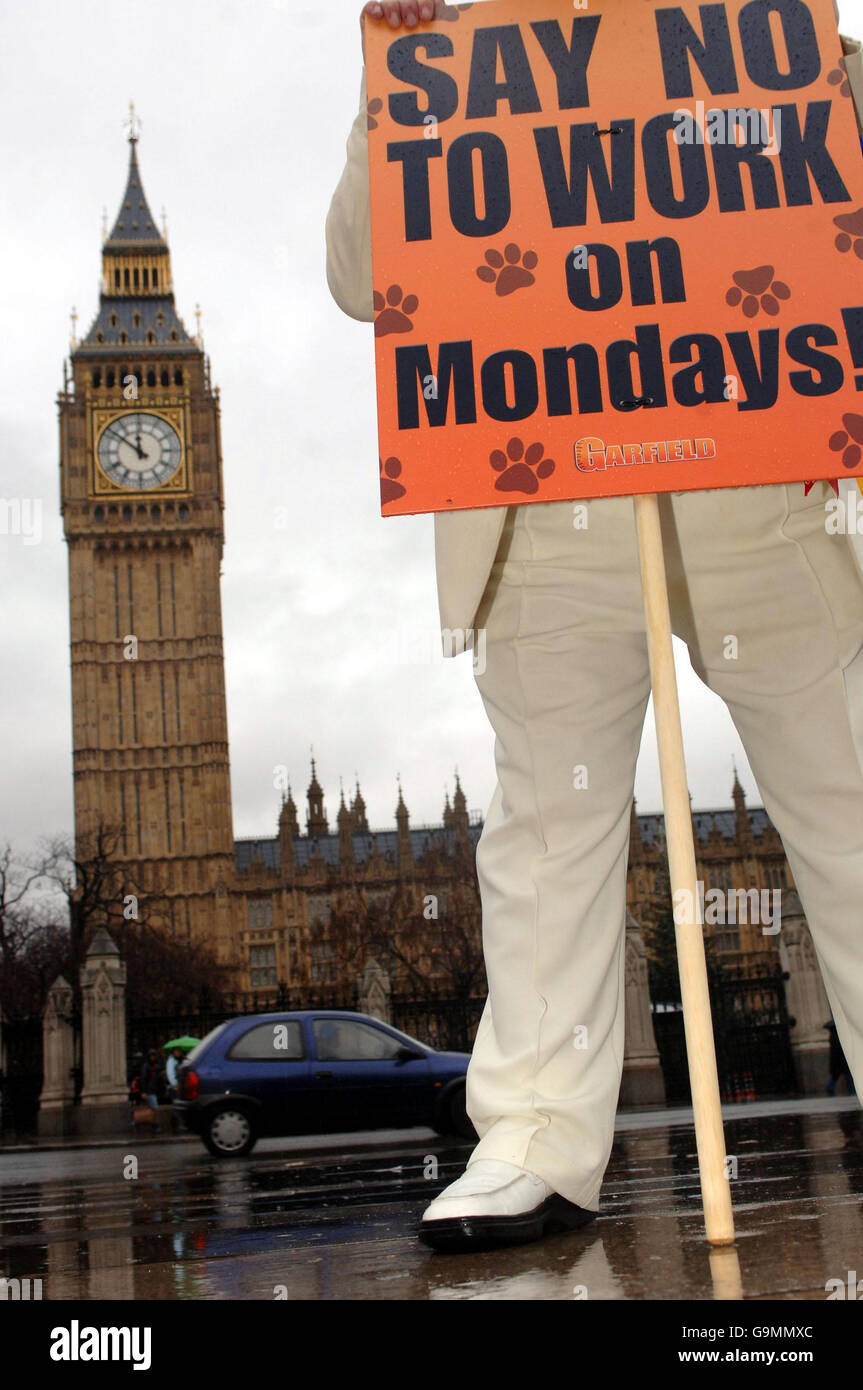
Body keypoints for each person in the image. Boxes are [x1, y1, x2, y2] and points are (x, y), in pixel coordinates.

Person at [327, 0, 863, 1248]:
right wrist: (388, 87)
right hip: (545, 479)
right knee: (547, 825)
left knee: (844, 792)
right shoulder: (462, 42)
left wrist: (830, 84)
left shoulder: (746, 22)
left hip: (755, 456)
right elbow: (364, 277)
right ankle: (532, 1136)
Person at [140, 1049, 163, 1131]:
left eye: (154, 1056)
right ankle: (156, 1125)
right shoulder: (146, 1066)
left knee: (153, 1108)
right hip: (149, 1090)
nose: (153, 1058)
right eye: (151, 1056)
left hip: (155, 1090)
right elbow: (143, 1079)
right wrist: (143, 1091)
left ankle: (154, 1125)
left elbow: (159, 1079)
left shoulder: (157, 1066)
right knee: (154, 1108)